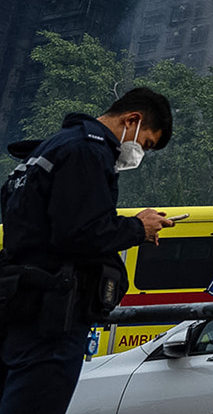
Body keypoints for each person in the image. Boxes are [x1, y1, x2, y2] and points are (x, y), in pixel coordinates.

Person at [0, 88, 175, 414]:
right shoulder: (88, 151)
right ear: (132, 120)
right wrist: (139, 228)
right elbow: (79, 233)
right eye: (146, 144)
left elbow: (50, 224)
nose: (140, 153)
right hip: (53, 314)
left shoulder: (47, 149)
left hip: (20, 301)